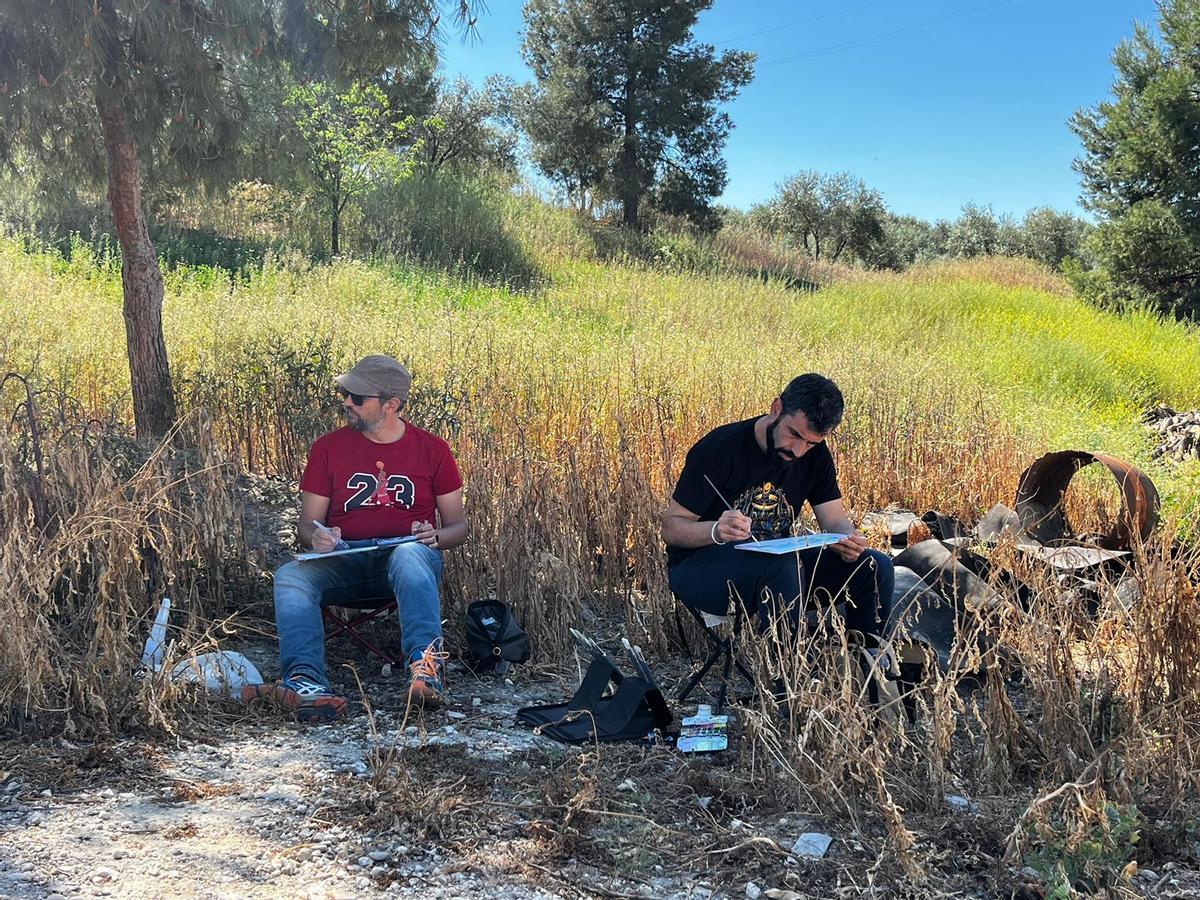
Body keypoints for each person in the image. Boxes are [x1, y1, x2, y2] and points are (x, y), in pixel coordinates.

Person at [249, 355, 468, 721]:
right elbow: (307, 524)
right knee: (290, 575)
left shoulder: (433, 450)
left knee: (410, 555)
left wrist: (433, 536)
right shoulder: (328, 449)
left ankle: (426, 671)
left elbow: (458, 528)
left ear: (391, 405)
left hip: (405, 561)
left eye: (357, 397)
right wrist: (318, 537)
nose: (347, 402)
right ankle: (305, 683)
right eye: (346, 393)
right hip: (344, 559)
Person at [662, 373, 893, 644]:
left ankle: (869, 668)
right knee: (783, 567)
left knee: (874, 565)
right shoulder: (720, 448)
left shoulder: (815, 454)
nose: (798, 450)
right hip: (700, 570)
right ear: (776, 409)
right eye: (794, 434)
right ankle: (783, 680)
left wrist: (849, 541)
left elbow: (835, 521)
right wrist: (716, 530)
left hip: (780, 570)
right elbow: (671, 528)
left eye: (811, 443)